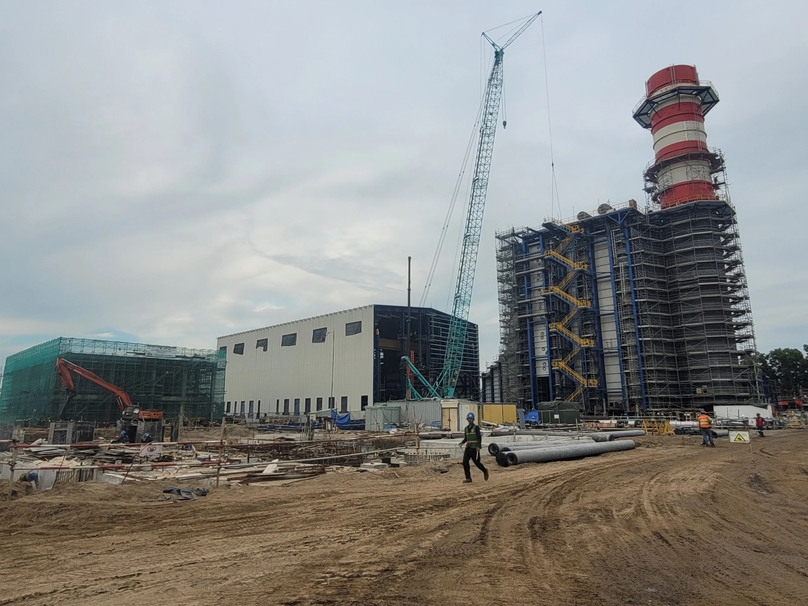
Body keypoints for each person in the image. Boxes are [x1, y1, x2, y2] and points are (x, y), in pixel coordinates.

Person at [459, 412, 489, 483]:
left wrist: (478, 446)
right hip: (468, 447)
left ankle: (485, 470)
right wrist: (462, 443)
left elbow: (479, 437)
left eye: (471, 419)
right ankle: (468, 478)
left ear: (473, 419)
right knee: (465, 462)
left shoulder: (476, 428)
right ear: (467, 419)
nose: (470, 420)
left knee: (476, 462)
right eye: (469, 419)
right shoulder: (466, 429)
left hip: (474, 448)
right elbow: (466, 438)